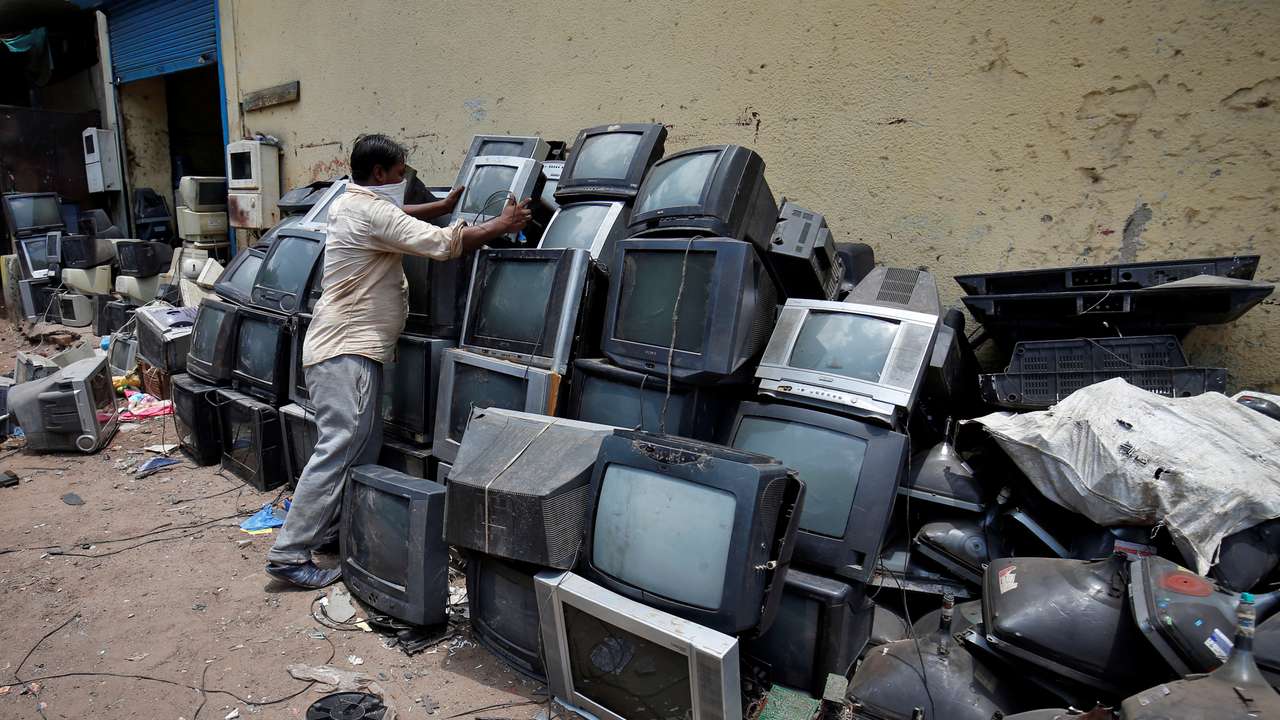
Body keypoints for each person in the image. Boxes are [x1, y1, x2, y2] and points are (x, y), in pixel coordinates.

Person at [265, 134, 531, 588]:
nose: (406, 177)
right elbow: (444, 245)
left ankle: (327, 535)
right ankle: (288, 554)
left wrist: (445, 204)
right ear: (381, 174)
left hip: (344, 350)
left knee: (356, 449)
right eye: (402, 171)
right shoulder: (369, 210)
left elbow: (399, 217)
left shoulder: (353, 201)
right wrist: (500, 225)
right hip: (346, 350)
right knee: (340, 448)